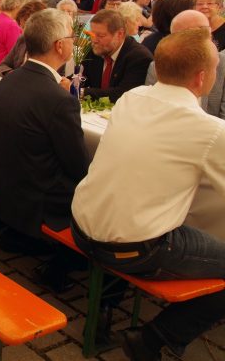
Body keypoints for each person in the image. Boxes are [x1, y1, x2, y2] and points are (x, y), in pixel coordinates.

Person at [71, 28, 225, 361]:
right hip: (132, 249)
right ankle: (155, 338)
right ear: (202, 78)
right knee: (148, 225)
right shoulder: (210, 130)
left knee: (136, 210)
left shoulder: (133, 98)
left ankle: (107, 310)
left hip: (81, 227)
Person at [0, 8, 88, 264]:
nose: (73, 43)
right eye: (70, 37)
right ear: (59, 46)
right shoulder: (58, 99)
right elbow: (77, 166)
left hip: (10, 185)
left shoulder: (9, 79)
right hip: (41, 198)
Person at [81, 9, 153, 102]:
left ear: (120, 34)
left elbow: (123, 94)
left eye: (101, 36)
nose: (94, 40)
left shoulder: (139, 57)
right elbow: (81, 77)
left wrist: (81, 92)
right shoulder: (94, 50)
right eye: (92, 34)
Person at [0, 0, 48, 76]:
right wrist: (14, 75)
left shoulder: (50, 46)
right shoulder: (22, 40)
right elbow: (1, 67)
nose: (23, 31)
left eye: (27, 27)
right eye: (22, 26)